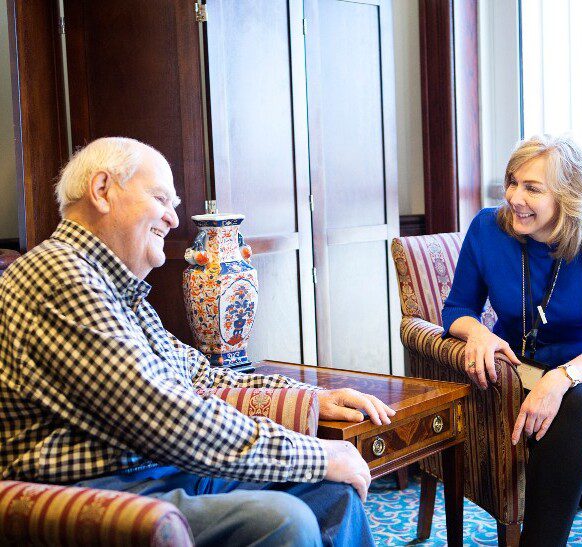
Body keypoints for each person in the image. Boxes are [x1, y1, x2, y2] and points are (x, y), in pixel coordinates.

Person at [0, 137, 396, 546]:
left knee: (331, 495)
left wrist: (311, 398)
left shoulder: (115, 288)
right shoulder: (60, 275)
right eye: (161, 199)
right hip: (90, 494)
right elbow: (166, 414)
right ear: (102, 191)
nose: (174, 219)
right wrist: (316, 455)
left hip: (155, 472)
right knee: (285, 520)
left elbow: (200, 377)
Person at [441, 134, 582, 546]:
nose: (515, 197)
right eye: (513, 182)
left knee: (576, 405)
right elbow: (456, 309)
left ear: (567, 197)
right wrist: (476, 331)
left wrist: (561, 378)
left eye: (532, 188)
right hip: (526, 377)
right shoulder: (487, 229)